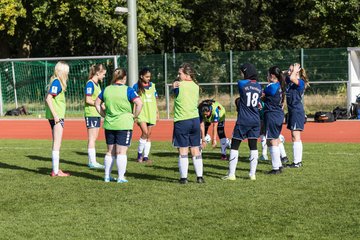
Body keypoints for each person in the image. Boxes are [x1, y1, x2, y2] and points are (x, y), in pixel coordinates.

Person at [95, 68, 142, 183]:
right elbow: (139, 103)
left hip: (110, 124)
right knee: (121, 152)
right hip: (124, 124)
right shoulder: (128, 90)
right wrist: (134, 115)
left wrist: (103, 114)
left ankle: (107, 176)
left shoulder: (107, 89)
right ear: (124, 78)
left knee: (110, 151)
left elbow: (97, 103)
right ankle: (120, 177)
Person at [222, 63, 262, 181]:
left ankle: (232, 174)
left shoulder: (242, 83)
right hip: (256, 120)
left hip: (243, 120)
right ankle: (252, 174)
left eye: (242, 72)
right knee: (253, 146)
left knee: (234, 146)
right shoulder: (259, 86)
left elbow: (241, 95)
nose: (241, 74)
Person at [172, 63, 204, 184]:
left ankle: (184, 178)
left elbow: (175, 90)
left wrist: (173, 85)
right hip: (195, 120)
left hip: (182, 120)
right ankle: (199, 177)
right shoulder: (196, 86)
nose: (178, 75)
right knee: (195, 149)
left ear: (187, 74)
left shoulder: (178, 85)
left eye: (180, 73)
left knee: (183, 150)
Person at [45, 61, 71, 177]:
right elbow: (49, 98)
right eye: (66, 72)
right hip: (57, 117)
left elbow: (48, 97)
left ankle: (56, 169)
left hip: (56, 116)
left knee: (56, 142)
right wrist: (55, 115)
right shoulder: (57, 82)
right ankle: (55, 171)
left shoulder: (56, 82)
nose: (67, 74)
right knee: (57, 143)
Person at [133, 67, 159, 164]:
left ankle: (146, 157)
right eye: (147, 77)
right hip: (141, 113)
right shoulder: (136, 86)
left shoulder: (153, 86)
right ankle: (139, 155)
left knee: (149, 135)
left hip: (151, 112)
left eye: (149, 77)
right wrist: (134, 114)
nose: (149, 78)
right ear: (141, 76)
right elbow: (133, 101)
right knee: (145, 133)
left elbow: (155, 99)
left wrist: (157, 112)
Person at [262, 66, 286, 174]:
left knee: (270, 140)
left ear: (272, 76)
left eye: (268, 74)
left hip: (272, 115)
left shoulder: (271, 86)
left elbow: (261, 94)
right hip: (278, 114)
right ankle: (279, 165)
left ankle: (276, 168)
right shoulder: (280, 85)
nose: (267, 77)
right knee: (275, 139)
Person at [285, 63, 309, 168]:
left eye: (291, 70)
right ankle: (296, 162)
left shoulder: (301, 83)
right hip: (292, 111)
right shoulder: (290, 82)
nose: (289, 72)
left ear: (297, 72)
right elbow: (280, 75)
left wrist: (294, 71)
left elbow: (291, 77)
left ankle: (297, 162)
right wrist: (289, 70)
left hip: (297, 111)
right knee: (293, 136)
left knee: (296, 136)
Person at [84, 64, 107, 169]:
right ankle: (92, 162)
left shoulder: (97, 85)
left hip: (96, 114)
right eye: (103, 74)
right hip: (91, 114)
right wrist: (98, 104)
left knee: (94, 138)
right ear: (98, 73)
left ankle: (92, 162)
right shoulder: (90, 84)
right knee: (92, 138)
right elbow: (88, 100)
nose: (104, 76)